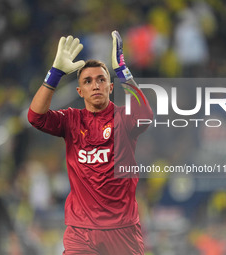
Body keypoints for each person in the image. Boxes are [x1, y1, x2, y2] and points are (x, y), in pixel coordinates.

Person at [28, 30, 153, 254]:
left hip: (121, 230)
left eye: (101, 80)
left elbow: (145, 114)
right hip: (81, 231)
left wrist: (122, 70)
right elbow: (35, 117)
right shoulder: (71, 120)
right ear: (80, 91)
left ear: (110, 87)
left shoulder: (123, 119)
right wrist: (55, 73)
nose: (95, 85)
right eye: (88, 81)